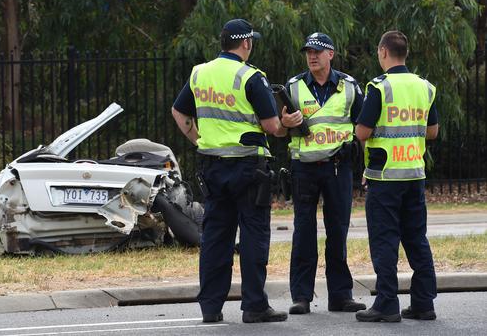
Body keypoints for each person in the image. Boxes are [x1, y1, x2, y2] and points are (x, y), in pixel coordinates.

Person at [171, 18, 287, 324]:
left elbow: (179, 111)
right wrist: (286, 124)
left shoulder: (200, 73)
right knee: (253, 236)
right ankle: (254, 306)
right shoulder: (251, 77)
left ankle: (211, 307)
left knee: (215, 237)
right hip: (248, 167)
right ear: (246, 43)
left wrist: (200, 140)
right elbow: (272, 126)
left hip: (212, 166)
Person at [274, 32, 366, 315]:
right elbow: (278, 129)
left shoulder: (350, 87)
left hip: (339, 167)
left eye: (317, 51)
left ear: (331, 54)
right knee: (304, 232)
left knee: (337, 231)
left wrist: (366, 166)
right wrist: (285, 122)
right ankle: (301, 296)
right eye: (308, 52)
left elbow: (364, 130)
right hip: (304, 169)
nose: (311, 56)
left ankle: (340, 295)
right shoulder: (294, 86)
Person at [355, 30, 438, 322]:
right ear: (406, 53)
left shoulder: (380, 87)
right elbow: (432, 132)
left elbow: (362, 132)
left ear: (383, 52)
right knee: (417, 239)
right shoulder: (425, 87)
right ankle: (424, 303)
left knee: (385, 241)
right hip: (414, 175)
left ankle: (387, 304)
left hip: (385, 178)